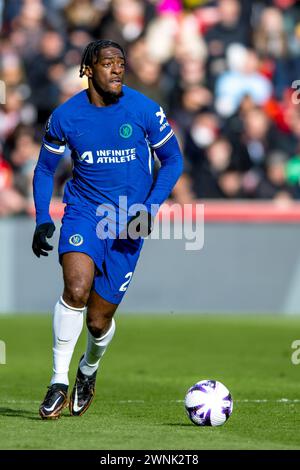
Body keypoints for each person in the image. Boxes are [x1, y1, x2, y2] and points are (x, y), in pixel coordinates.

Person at [32, 39, 183, 420]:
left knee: (99, 321)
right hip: (84, 213)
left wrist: (148, 210)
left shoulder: (144, 109)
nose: (118, 69)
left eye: (121, 63)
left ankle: (88, 370)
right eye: (108, 63)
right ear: (88, 69)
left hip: (129, 222)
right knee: (76, 288)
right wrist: (42, 218)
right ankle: (58, 382)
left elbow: (173, 160)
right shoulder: (66, 116)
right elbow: (45, 169)